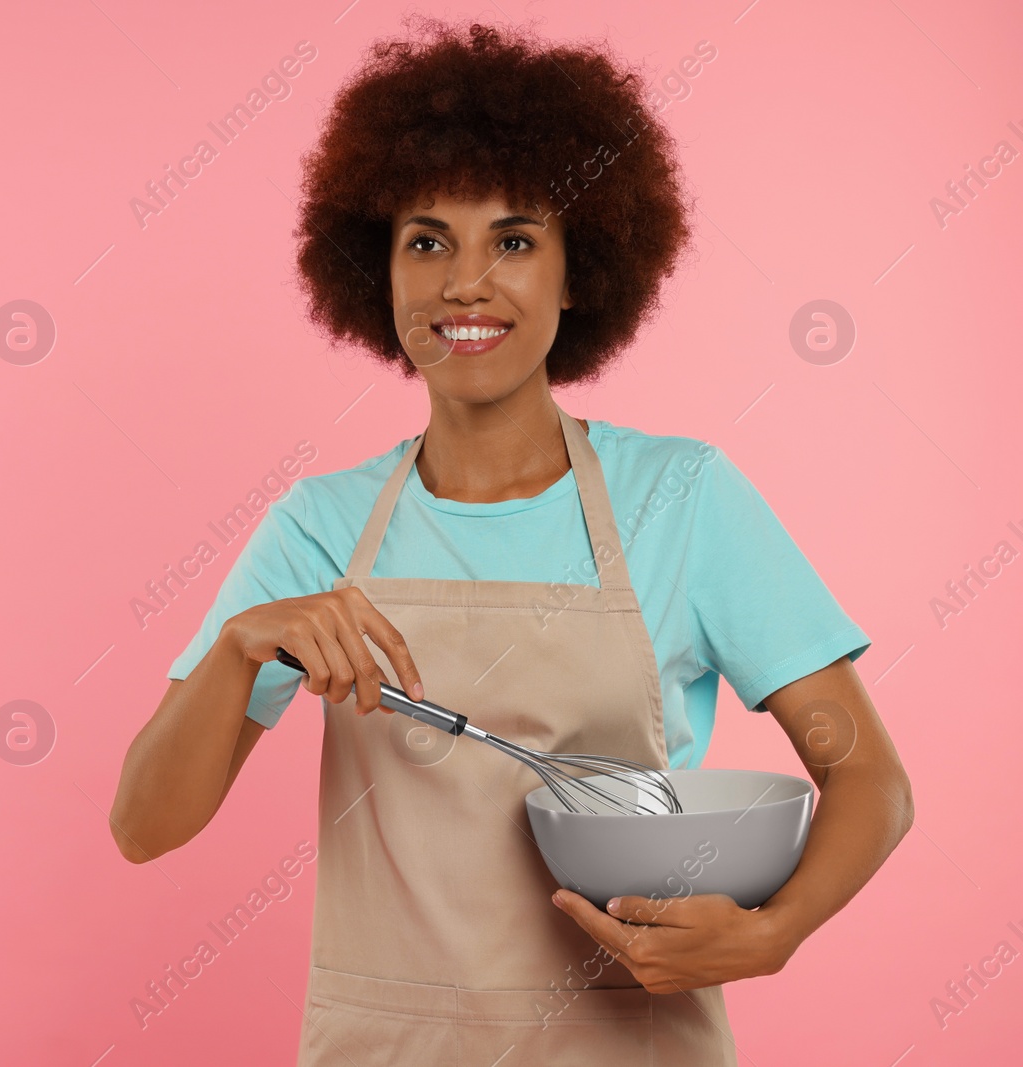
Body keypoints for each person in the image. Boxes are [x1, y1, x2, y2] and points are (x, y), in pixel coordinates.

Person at [109, 16, 913, 1065]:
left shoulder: (682, 496)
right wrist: (236, 648)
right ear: (377, 271)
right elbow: (143, 825)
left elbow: (869, 780)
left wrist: (770, 932)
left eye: (516, 240)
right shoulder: (319, 527)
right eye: (427, 239)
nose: (465, 283)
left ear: (581, 273)